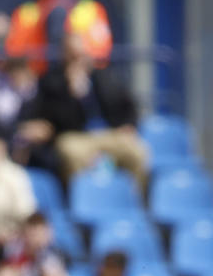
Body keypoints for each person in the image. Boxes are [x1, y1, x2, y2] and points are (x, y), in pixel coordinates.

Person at [17, 30, 148, 187]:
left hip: (109, 133)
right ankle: (81, 203)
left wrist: (129, 125)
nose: (77, 59)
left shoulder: (105, 77)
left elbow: (129, 105)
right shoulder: (51, 82)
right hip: (74, 137)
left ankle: (134, 204)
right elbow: (55, 122)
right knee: (72, 154)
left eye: (81, 54)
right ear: (64, 55)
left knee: (137, 153)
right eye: (72, 55)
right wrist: (71, 94)